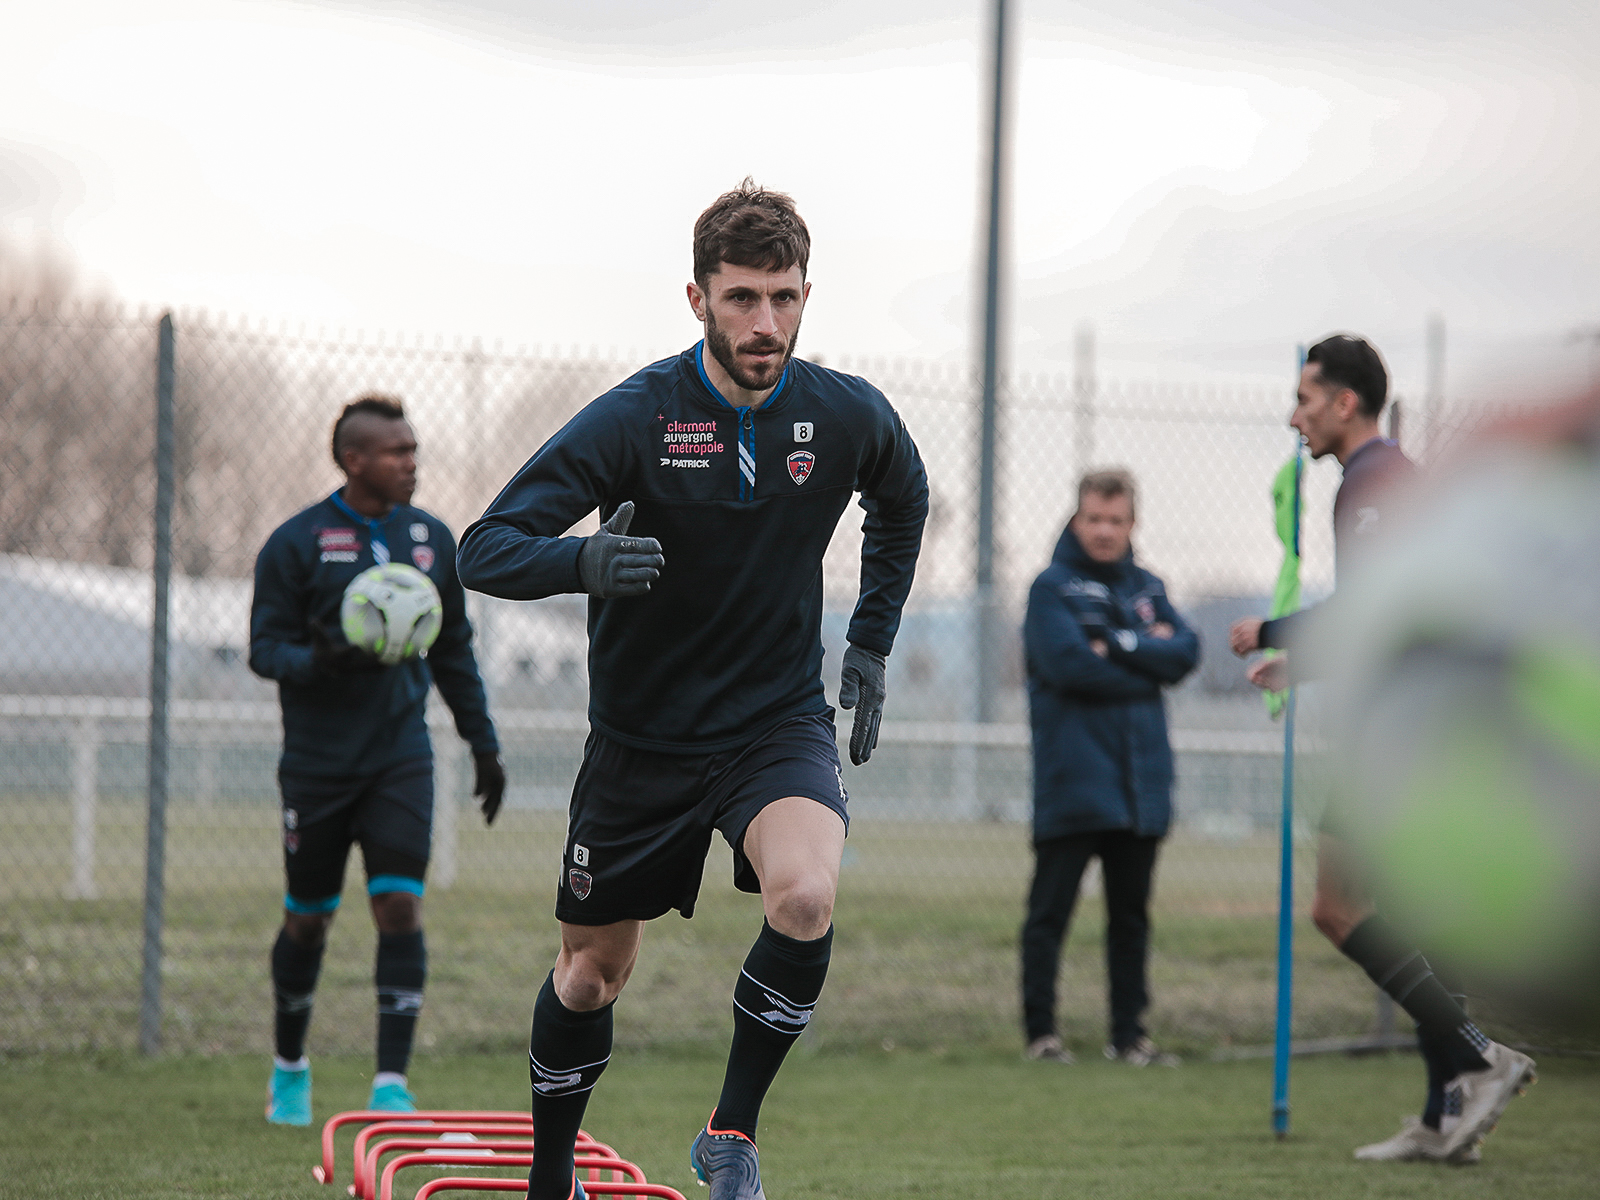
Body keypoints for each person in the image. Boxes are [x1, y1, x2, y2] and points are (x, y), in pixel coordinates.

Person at [456, 179, 928, 1200]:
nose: (767, 323)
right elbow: (483, 550)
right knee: (590, 977)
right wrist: (583, 565)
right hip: (641, 740)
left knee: (805, 896)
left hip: (773, 723)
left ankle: (730, 1136)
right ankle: (550, 1179)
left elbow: (903, 496)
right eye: (743, 298)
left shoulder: (845, 414)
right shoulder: (637, 415)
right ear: (697, 298)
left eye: (786, 298)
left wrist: (871, 643)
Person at [1229, 335, 1536, 1162]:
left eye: (1304, 397)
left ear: (1345, 402)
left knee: (1338, 905)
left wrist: (1271, 629)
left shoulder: (1375, 483)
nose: (1294, 415)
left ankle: (1477, 1056)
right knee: (1417, 917)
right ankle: (1448, 1119)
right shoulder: (1384, 482)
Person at [249, 394, 505, 1126]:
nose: (411, 462)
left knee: (398, 905)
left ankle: (391, 1082)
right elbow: (263, 650)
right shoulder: (296, 543)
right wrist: (321, 659)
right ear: (353, 460)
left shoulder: (432, 540)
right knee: (308, 918)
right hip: (318, 764)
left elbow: (454, 651)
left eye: (414, 449)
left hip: (400, 758)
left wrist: (483, 744)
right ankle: (290, 1067)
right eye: (396, 452)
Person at [1019, 468, 1198, 1068]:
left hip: (1140, 785)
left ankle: (1129, 1038)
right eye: (1094, 518)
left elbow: (1187, 653)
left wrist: (1117, 645)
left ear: (1132, 524)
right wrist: (1147, 660)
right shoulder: (1051, 589)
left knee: (1130, 921)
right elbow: (1070, 665)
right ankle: (1041, 1036)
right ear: (1077, 518)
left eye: (1115, 520)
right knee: (1050, 916)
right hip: (1075, 783)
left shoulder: (1148, 586)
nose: (1104, 530)